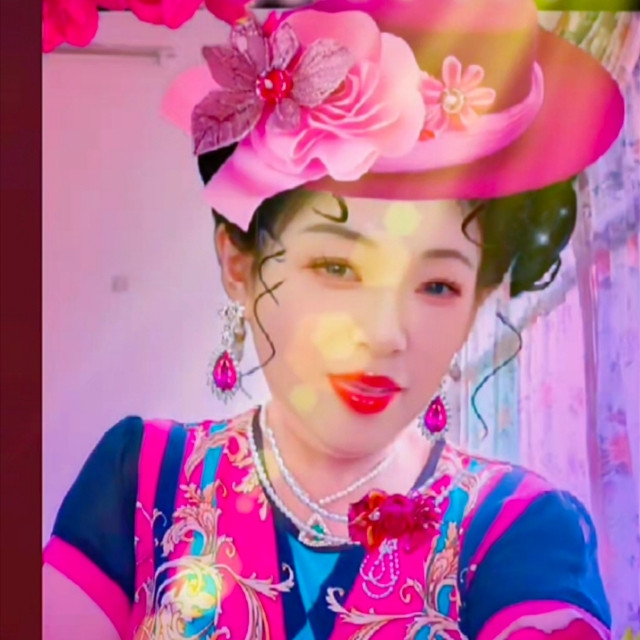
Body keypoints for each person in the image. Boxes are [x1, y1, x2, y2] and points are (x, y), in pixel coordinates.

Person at [42, 0, 625, 638]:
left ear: (477, 302)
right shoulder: (140, 478)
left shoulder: (517, 529)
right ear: (238, 262)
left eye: (437, 285)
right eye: (337, 267)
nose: (384, 334)